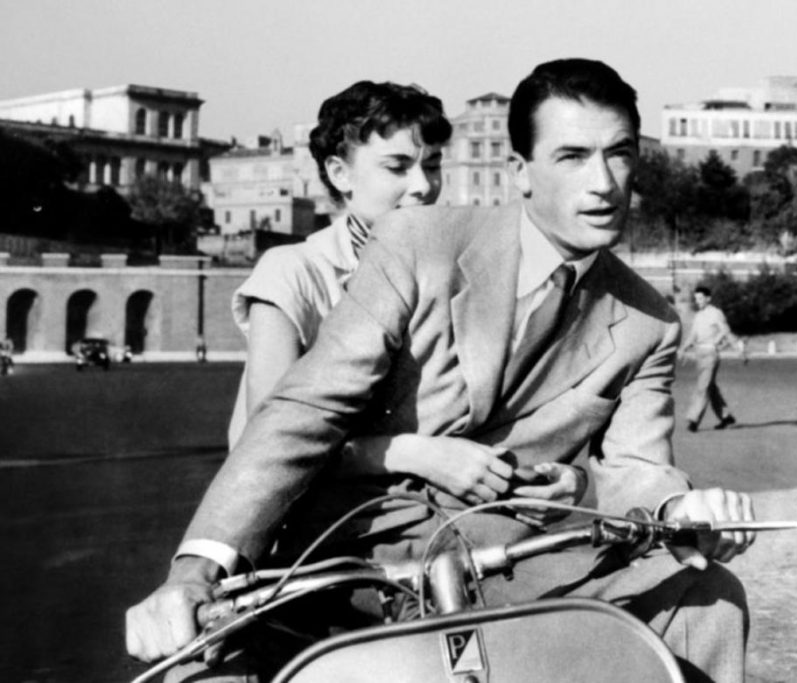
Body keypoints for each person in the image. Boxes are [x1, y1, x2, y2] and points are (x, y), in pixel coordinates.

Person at [126, 58, 757, 683]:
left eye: (619, 155)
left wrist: (682, 505)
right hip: (350, 556)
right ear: (520, 172)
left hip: (514, 567)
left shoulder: (650, 321)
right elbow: (305, 411)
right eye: (572, 157)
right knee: (196, 669)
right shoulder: (419, 241)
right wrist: (195, 571)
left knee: (708, 601)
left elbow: (638, 467)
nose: (604, 183)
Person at [225, 80, 586, 522]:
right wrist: (414, 454)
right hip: (312, 537)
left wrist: (557, 476)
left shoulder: (460, 269)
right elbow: (266, 448)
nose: (423, 186)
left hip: (433, 531)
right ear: (340, 174)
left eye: (432, 165)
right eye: (397, 167)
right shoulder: (292, 272)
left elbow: (494, 418)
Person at [681, 286, 739, 432]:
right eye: (696, 299)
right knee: (710, 387)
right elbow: (693, 335)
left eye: (700, 298)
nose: (698, 301)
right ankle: (726, 417)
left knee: (703, 387)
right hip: (699, 354)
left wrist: (736, 348)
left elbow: (726, 330)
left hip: (710, 354)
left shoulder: (716, 313)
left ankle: (693, 420)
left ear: (708, 298)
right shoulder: (698, 316)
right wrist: (683, 348)